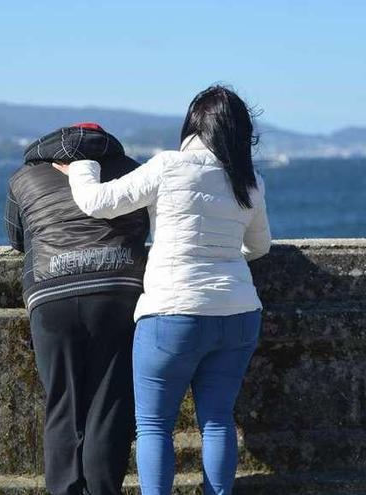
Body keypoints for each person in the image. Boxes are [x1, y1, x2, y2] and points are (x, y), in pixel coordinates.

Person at [53, 86, 272, 495]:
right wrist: (220, 251)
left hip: (173, 314)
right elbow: (258, 246)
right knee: (219, 419)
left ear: (193, 125)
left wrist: (82, 166)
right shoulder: (250, 180)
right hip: (240, 314)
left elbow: (100, 202)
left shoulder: (170, 165)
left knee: (154, 425)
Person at [4, 123, 150, 495]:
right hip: (117, 293)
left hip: (51, 294)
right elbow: (144, 227)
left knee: (62, 406)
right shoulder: (132, 168)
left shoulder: (24, 177)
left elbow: (16, 238)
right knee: (109, 405)